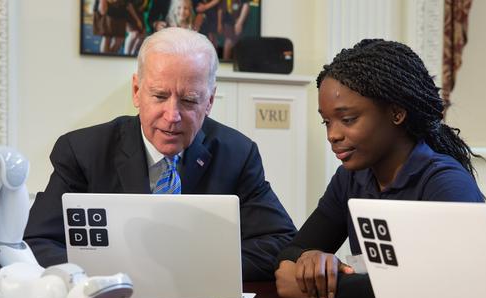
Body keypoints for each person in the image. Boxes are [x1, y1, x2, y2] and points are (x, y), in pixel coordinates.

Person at [24, 27, 296, 281]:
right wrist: (111, 278)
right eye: (159, 96)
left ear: (210, 101)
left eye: (189, 100)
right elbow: (39, 242)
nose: (172, 116)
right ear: (136, 91)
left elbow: (280, 241)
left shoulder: (237, 154)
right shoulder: (83, 151)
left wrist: (193, 269)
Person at [275, 39, 485, 298]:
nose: (332, 135)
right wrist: (310, 259)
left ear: (396, 113)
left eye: (348, 119)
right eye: (326, 121)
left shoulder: (445, 183)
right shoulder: (350, 179)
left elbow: (441, 285)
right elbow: (288, 259)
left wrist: (328, 287)